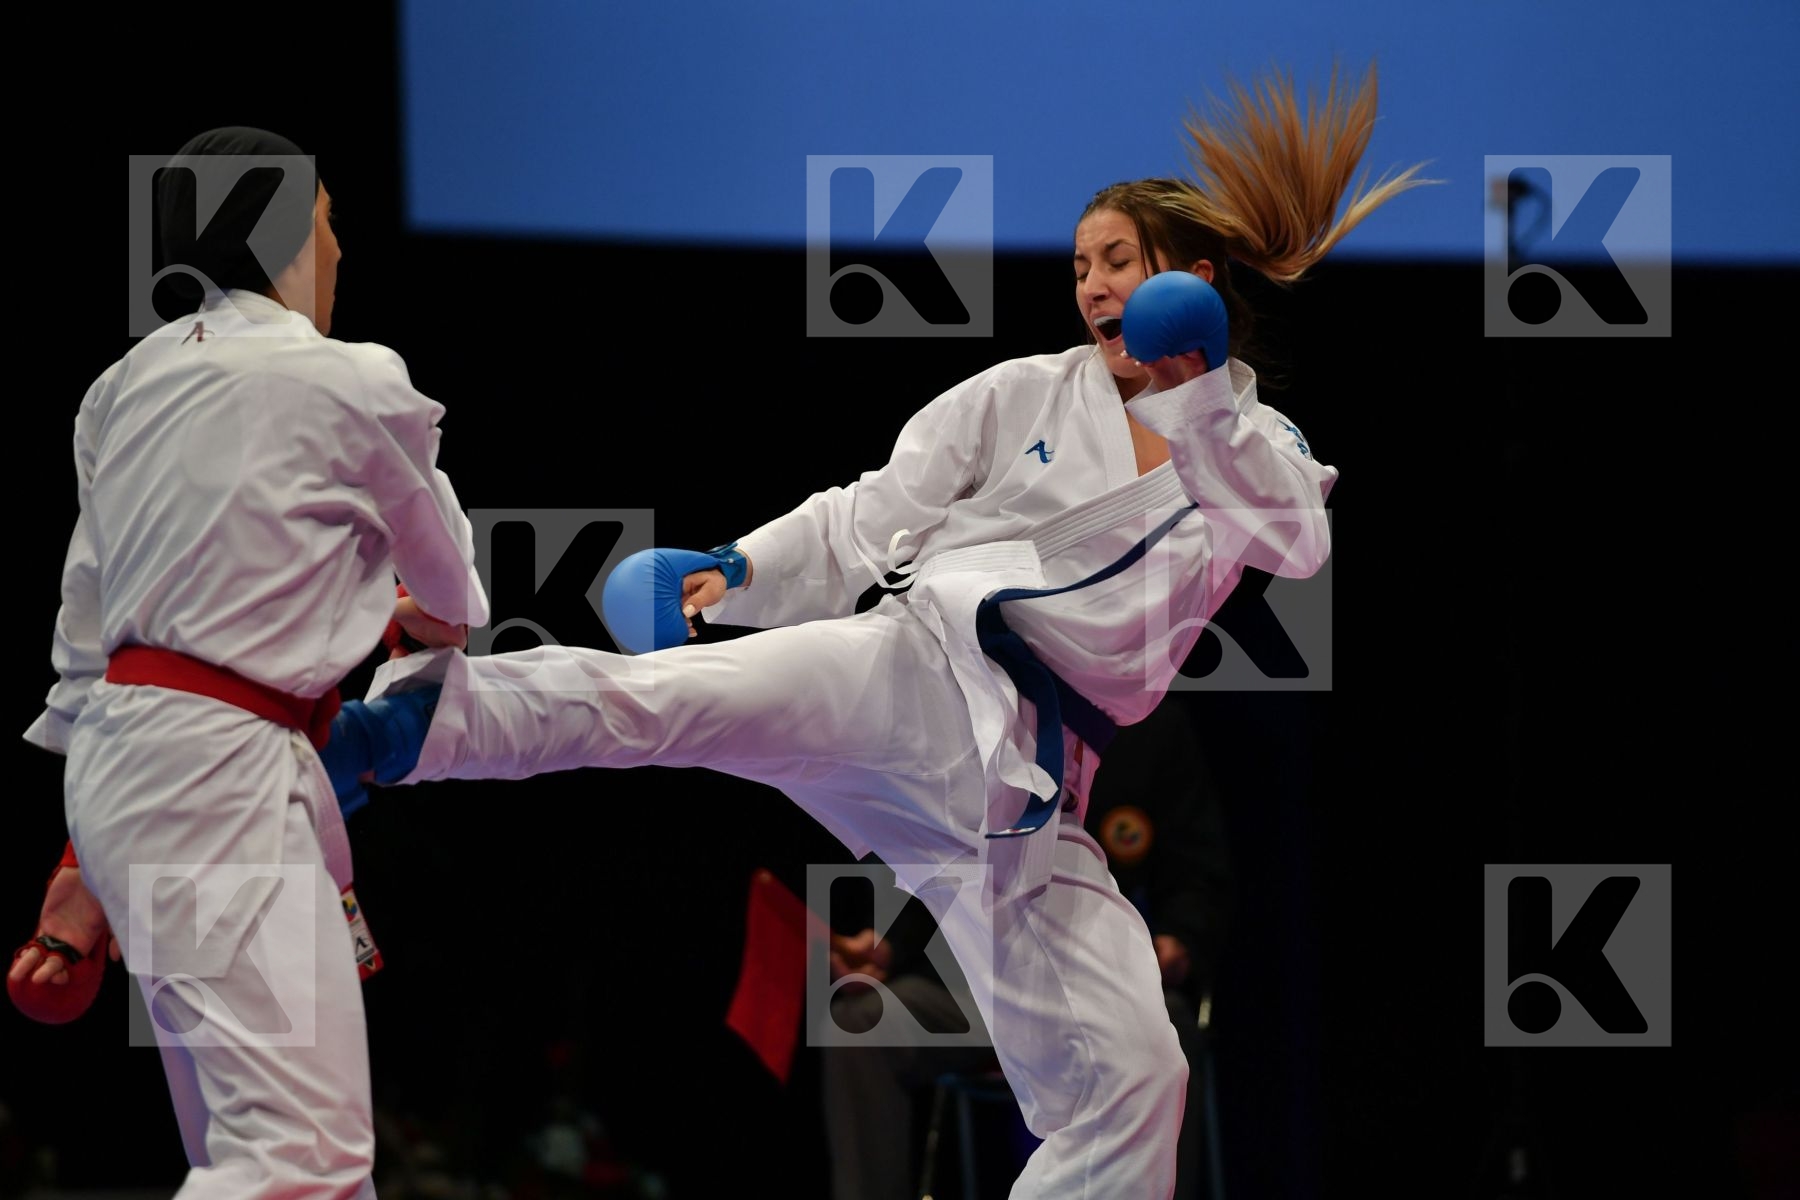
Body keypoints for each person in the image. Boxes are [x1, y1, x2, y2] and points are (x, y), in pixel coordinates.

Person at [338, 63, 1429, 1198]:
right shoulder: (1025, 394)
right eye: (1080, 267)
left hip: (1022, 798)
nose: (1093, 287)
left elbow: (1298, 542)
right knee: (658, 703)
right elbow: (875, 510)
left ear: (1192, 281)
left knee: (1141, 1076)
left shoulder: (1259, 442)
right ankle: (398, 731)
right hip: (907, 673)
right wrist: (738, 568)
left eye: (1117, 261)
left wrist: (1198, 395)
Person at [12, 127, 485, 1198]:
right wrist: (427, 616)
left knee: (273, 1161)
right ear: (281, 236)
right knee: (300, 1167)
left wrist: (83, 865)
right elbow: (454, 591)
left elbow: (91, 646)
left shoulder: (117, 388)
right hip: (217, 780)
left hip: (132, 780)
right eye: (326, 223)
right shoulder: (350, 378)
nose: (339, 249)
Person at [820, 694, 1234, 1200]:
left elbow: (1197, 864)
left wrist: (1179, 939)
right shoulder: (975, 703)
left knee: (1166, 1031)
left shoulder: (1149, 723)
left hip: (1101, 988)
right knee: (863, 1023)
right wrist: (886, 946)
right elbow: (931, 850)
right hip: (975, 994)